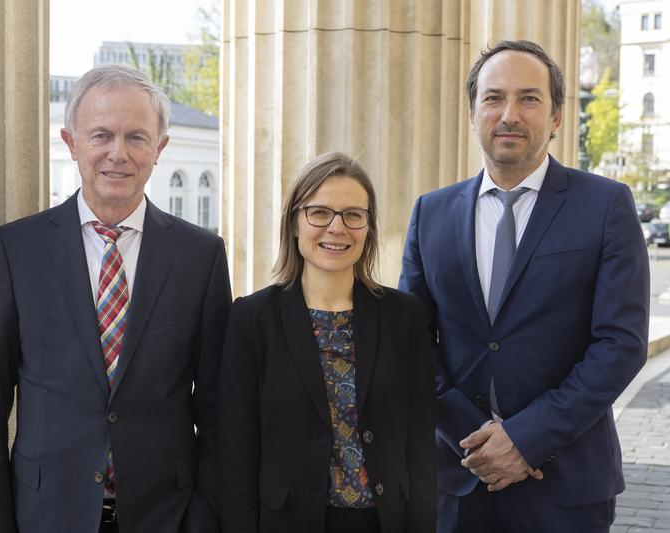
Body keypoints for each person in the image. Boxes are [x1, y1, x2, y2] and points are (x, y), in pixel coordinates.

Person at [0, 65, 231, 533]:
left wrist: (204, 518)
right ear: (71, 143)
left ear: (159, 148)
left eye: (136, 137)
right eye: (101, 135)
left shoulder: (201, 256)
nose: (117, 154)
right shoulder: (16, 251)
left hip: (166, 517)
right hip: (45, 515)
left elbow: (217, 411)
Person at [399, 40, 650, 532]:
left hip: (566, 483)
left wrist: (525, 439)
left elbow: (621, 344)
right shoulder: (431, 212)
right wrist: (473, 438)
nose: (509, 114)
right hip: (458, 478)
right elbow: (409, 341)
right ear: (473, 112)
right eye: (493, 98)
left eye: (529, 98)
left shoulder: (605, 206)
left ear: (556, 115)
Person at [220, 152, 436, 533]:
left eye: (353, 215)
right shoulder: (252, 319)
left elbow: (420, 448)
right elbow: (236, 456)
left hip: (385, 520)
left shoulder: (405, 316)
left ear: (367, 226)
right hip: (287, 523)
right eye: (319, 212)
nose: (337, 228)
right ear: (294, 224)